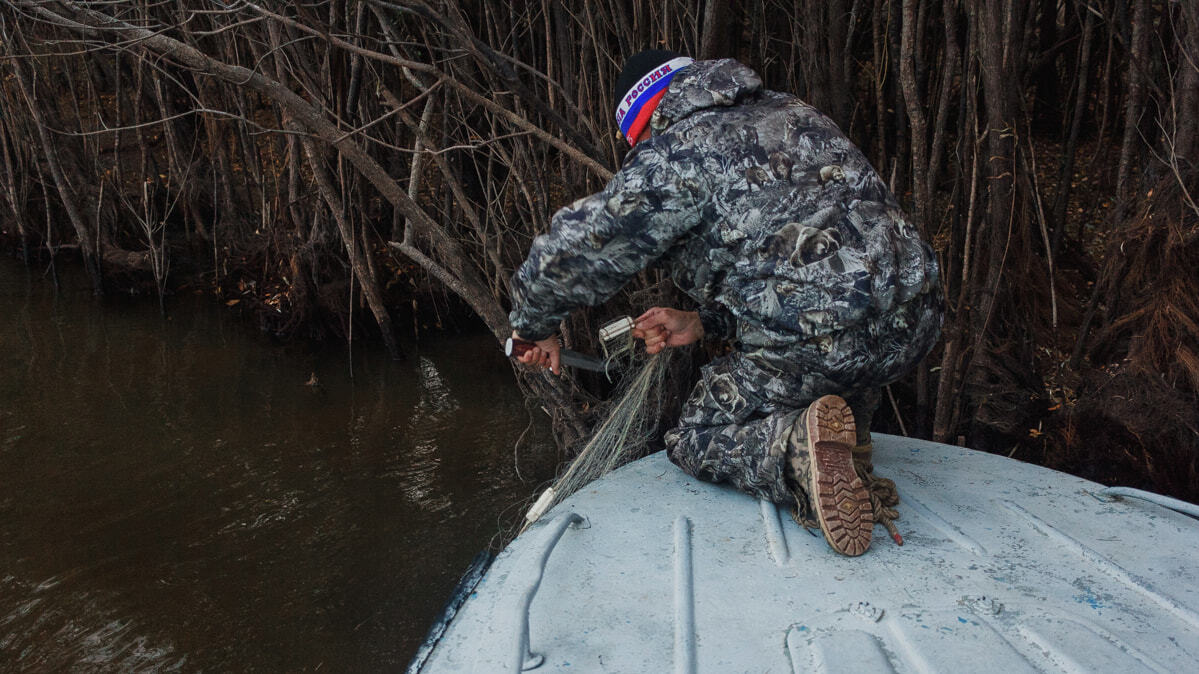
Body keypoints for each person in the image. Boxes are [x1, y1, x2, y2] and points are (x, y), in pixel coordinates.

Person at [507, 50, 942, 556]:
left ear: (644, 123)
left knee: (696, 432)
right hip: (916, 321)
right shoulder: (792, 114)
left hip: (825, 339)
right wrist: (704, 321)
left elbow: (577, 250)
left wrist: (533, 325)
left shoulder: (676, 150)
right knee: (838, 360)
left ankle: (795, 453)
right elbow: (813, 265)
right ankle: (851, 447)